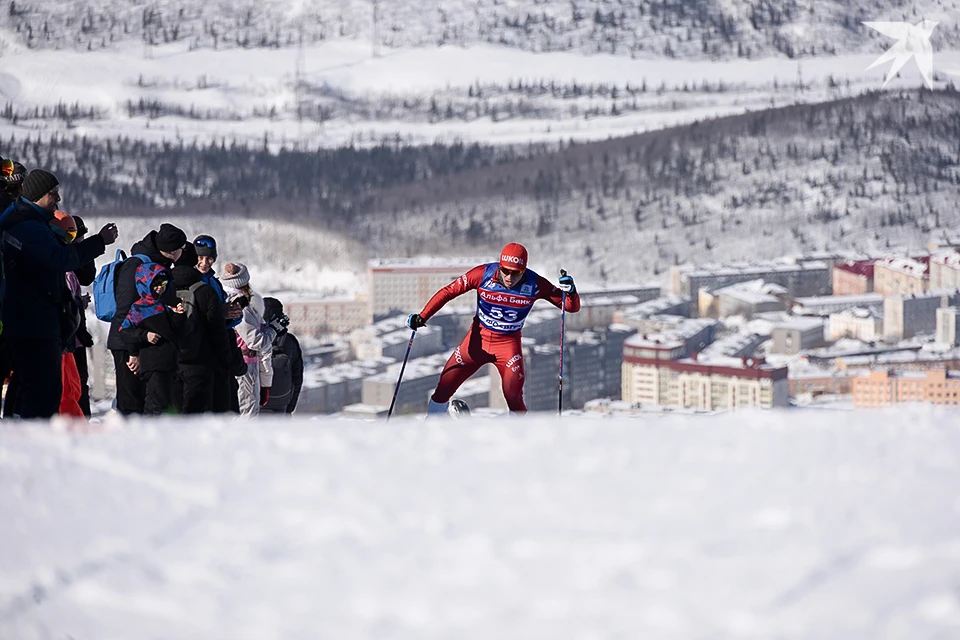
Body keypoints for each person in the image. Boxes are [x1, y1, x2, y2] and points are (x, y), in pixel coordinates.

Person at [406, 242, 580, 415]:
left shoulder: (535, 283)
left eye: (516, 273)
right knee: (444, 386)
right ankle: (433, 428)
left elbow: (570, 307)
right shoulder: (483, 274)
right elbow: (448, 292)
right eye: (505, 271)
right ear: (500, 266)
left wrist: (571, 292)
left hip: (507, 346)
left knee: (514, 397)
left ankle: (521, 436)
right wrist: (423, 316)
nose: (509, 277)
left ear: (524, 270)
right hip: (476, 343)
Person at [0, 169, 118, 418]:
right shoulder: (28, 227)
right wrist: (99, 242)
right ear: (37, 196)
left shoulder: (19, 220)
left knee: (25, 383)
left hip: (26, 317)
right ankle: (36, 440)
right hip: (34, 320)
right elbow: (61, 259)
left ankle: (18, 432)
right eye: (53, 194)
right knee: (44, 389)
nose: (58, 199)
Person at [106, 223, 186, 415]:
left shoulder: (157, 266)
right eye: (182, 248)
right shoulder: (138, 266)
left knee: (148, 402)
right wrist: (133, 352)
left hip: (146, 344)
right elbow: (126, 309)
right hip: (129, 342)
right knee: (132, 403)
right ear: (172, 250)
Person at [170, 244, 236, 414]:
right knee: (198, 415)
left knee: (173, 415)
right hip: (200, 360)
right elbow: (217, 329)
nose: (204, 262)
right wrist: (225, 359)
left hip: (169, 360)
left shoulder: (163, 286)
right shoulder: (205, 290)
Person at [119, 263, 187, 415]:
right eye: (155, 283)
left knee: (173, 407)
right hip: (154, 365)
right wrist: (145, 335)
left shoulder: (165, 304)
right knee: (156, 407)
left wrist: (178, 315)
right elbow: (124, 331)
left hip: (171, 364)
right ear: (145, 283)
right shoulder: (139, 308)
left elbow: (177, 333)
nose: (160, 287)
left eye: (164, 283)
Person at [193, 234, 244, 412]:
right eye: (200, 258)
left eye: (209, 258)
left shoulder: (214, 282)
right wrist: (221, 314)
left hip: (218, 351)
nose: (204, 262)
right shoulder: (189, 281)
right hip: (200, 352)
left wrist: (233, 314)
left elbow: (221, 316)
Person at [221, 262, 275, 417]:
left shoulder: (228, 302)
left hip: (239, 363)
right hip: (245, 365)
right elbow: (256, 341)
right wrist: (273, 330)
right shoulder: (241, 307)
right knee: (247, 410)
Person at [51, 211, 85, 418]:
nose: (70, 243)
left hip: (67, 339)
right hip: (54, 338)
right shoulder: (53, 268)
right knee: (63, 392)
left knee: (73, 388)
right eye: (69, 237)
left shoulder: (69, 271)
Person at [260, 297, 304, 414]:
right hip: (281, 404)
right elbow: (297, 377)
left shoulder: (253, 339)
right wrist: (290, 407)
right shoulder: (290, 341)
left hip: (255, 402)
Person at [70, 215, 95, 417]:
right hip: (69, 335)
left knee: (79, 381)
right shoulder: (65, 270)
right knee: (74, 382)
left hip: (75, 332)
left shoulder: (72, 269)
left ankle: (82, 416)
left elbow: (87, 276)